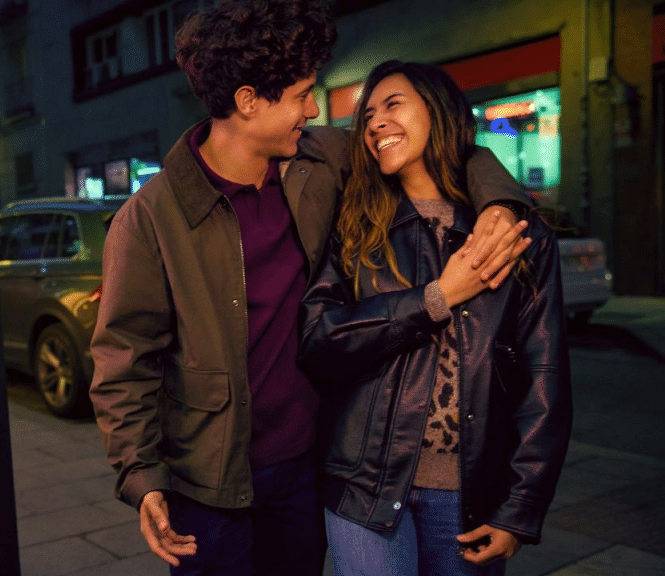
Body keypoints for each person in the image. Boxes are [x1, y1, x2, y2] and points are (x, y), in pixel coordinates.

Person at [89, 2, 531, 574]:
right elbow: (124, 363)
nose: (315, 108)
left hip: (305, 467)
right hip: (207, 483)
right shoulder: (149, 219)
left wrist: (500, 200)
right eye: (301, 94)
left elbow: (444, 144)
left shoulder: (323, 161)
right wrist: (142, 477)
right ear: (248, 101)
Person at [297, 60, 572, 576]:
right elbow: (319, 342)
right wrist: (436, 298)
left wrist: (519, 508)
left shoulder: (512, 234)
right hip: (365, 488)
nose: (375, 122)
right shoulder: (355, 225)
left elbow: (544, 377)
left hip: (469, 496)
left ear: (439, 110)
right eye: (368, 114)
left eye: (393, 104)